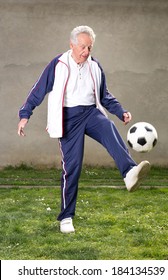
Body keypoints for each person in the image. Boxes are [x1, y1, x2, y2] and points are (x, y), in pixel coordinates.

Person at [18, 25, 150, 234]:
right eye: (82, 47)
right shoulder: (58, 64)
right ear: (71, 45)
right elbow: (38, 90)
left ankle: (129, 172)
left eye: (89, 47)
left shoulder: (95, 66)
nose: (86, 52)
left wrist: (120, 111)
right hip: (67, 118)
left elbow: (104, 95)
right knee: (73, 168)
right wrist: (25, 115)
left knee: (108, 127)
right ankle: (66, 217)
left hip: (90, 113)